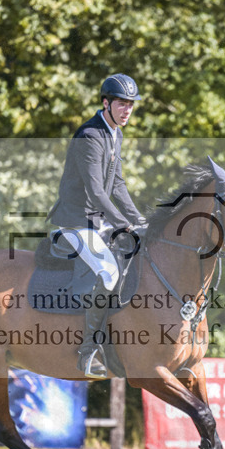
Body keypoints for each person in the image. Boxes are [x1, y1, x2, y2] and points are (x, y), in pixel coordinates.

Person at [48, 73, 146, 379]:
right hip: (76, 222)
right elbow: (95, 191)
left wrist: (141, 220)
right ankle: (87, 350)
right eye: (121, 104)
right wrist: (124, 224)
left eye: (131, 105)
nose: (127, 110)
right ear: (106, 103)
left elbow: (117, 185)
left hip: (97, 220)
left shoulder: (115, 134)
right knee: (109, 272)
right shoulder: (91, 136)